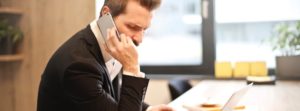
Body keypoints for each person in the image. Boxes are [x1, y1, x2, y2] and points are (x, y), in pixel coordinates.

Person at [37, 0, 174, 111]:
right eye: (133, 27)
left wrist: (148, 109)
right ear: (106, 14)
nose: (139, 39)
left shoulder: (111, 42)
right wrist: (132, 68)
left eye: (144, 29)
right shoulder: (78, 66)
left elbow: (114, 97)